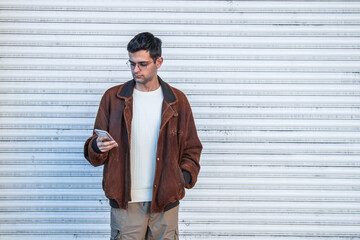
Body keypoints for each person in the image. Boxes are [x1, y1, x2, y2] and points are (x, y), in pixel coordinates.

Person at [84, 32, 202, 240]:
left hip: (165, 201)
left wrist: (180, 179)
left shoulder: (177, 101)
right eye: (131, 63)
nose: (135, 69)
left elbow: (192, 147)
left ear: (159, 62)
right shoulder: (113, 98)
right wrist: (96, 147)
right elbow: (93, 151)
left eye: (142, 64)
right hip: (125, 202)